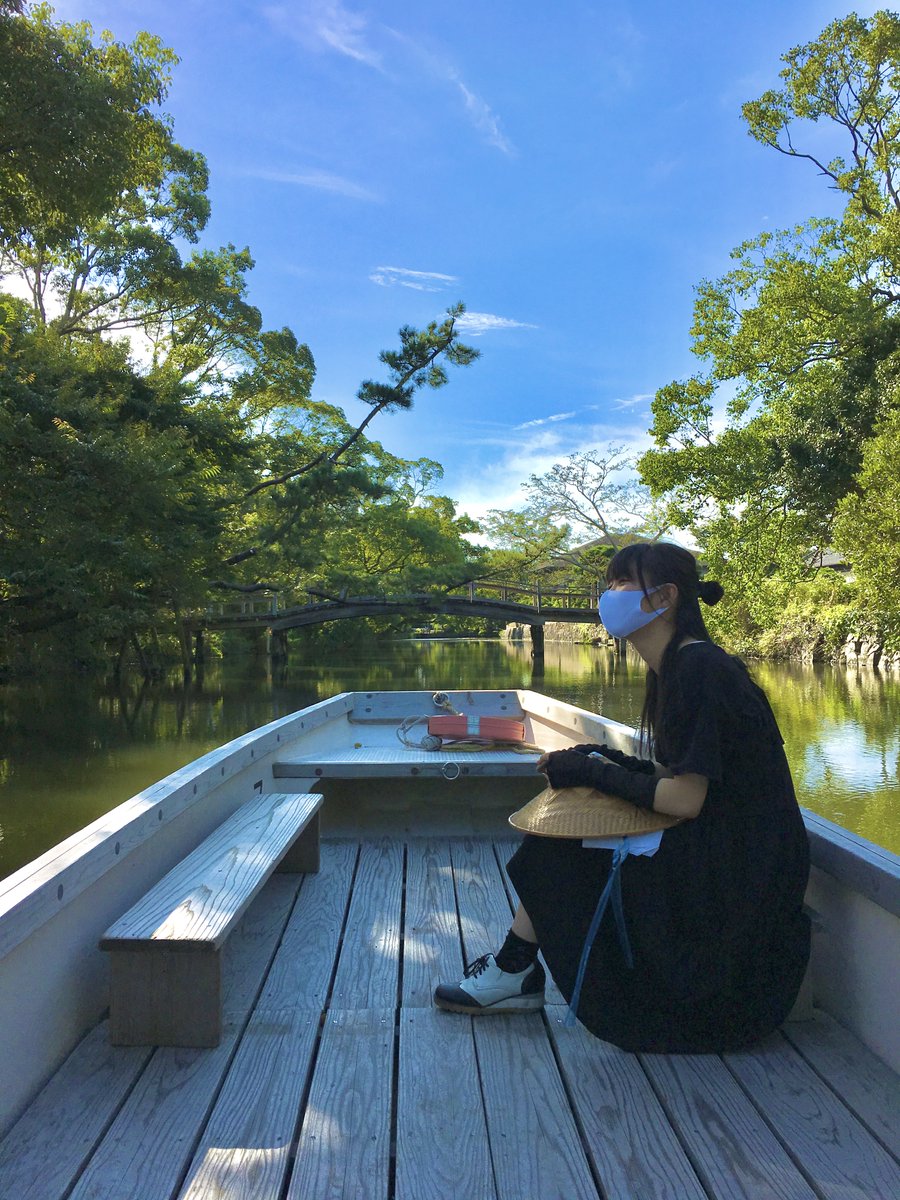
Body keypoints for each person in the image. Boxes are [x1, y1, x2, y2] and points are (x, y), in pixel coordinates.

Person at [433, 542, 811, 1053]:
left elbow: (686, 800)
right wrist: (603, 761)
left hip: (741, 869)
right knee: (572, 820)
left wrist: (594, 771)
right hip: (728, 844)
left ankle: (513, 971)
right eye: (609, 584)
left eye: (622, 583)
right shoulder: (677, 665)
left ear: (664, 598)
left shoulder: (699, 669)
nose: (609, 595)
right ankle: (513, 969)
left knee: (558, 848)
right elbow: (677, 773)